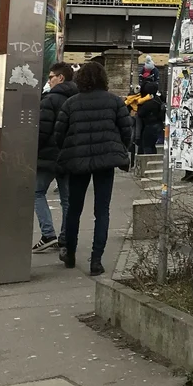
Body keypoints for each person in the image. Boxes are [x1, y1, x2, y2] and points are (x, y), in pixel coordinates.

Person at [54, 60, 132, 275]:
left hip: (78, 161)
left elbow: (59, 134)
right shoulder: (114, 102)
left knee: (74, 209)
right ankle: (96, 260)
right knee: (102, 211)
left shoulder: (71, 103)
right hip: (105, 161)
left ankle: (70, 253)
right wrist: (119, 149)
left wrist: (69, 150)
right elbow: (126, 130)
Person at [33, 62, 77, 252]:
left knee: (37, 192)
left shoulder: (49, 100)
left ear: (61, 78)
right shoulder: (77, 99)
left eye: (51, 77)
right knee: (67, 199)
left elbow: (42, 131)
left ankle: (48, 234)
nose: (49, 80)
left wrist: (34, 151)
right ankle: (65, 237)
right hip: (69, 156)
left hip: (48, 156)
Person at [136, 87, 165, 155]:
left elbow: (140, 113)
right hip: (158, 124)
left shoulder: (149, 103)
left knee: (147, 145)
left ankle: (148, 158)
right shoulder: (158, 101)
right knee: (152, 145)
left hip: (150, 125)